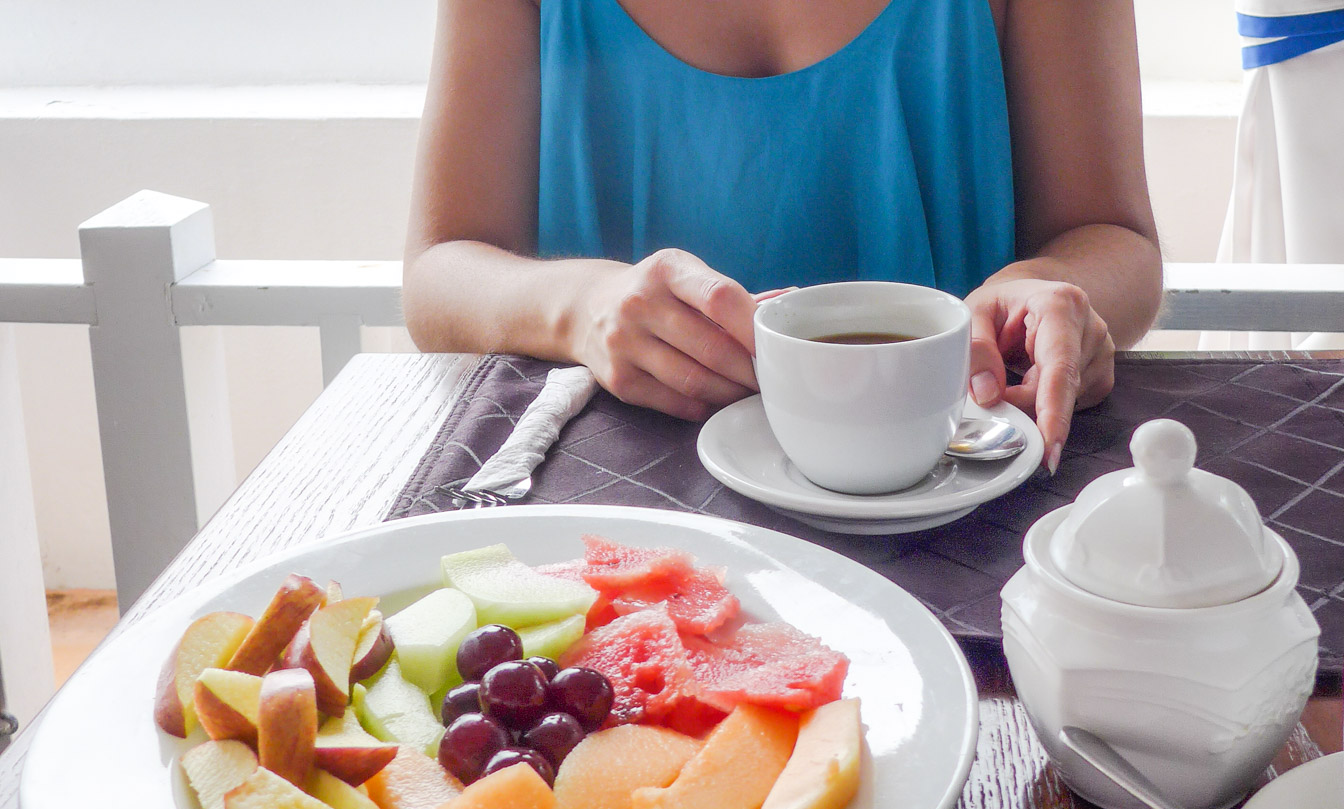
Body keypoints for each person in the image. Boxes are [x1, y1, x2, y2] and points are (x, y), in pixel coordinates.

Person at [402, 0, 1162, 474]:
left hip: (958, 500)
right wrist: (583, 304)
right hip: (616, 513)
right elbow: (441, 270)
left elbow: (1112, 235)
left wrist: (1046, 294)